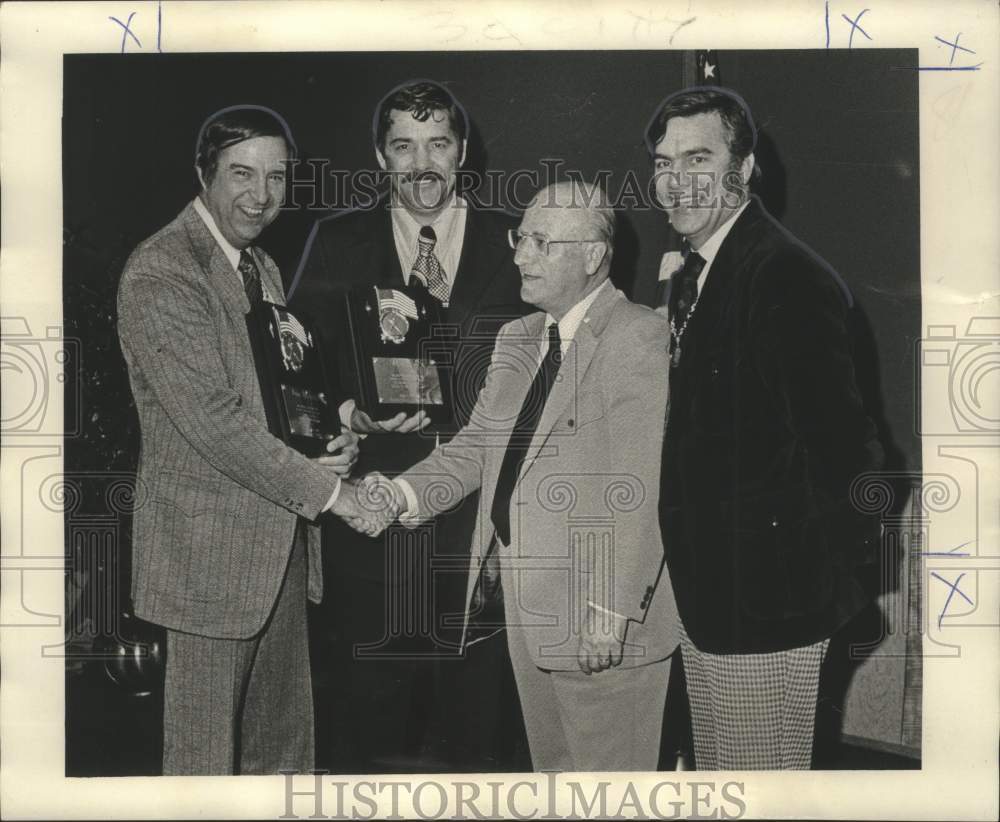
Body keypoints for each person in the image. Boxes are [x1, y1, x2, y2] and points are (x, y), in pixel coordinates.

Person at [369, 181, 680, 771]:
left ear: (593, 255)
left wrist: (611, 614)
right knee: (554, 786)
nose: (519, 255)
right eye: (520, 238)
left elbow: (643, 490)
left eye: (540, 242)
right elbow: (474, 450)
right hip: (527, 618)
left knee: (609, 801)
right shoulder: (517, 338)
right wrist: (399, 492)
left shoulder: (637, 337)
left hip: (601, 628)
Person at [116, 105, 374, 775]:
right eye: (241, 174)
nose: (261, 197)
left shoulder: (260, 266)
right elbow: (214, 422)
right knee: (203, 772)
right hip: (206, 563)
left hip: (279, 548)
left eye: (278, 178)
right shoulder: (163, 270)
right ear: (203, 174)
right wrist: (331, 491)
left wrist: (324, 438)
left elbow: (275, 395)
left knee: (282, 761)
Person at [288, 80, 528, 771]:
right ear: (380, 156)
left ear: (463, 151)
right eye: (403, 146)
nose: (422, 163)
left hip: (483, 530)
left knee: (481, 743)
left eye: (438, 144)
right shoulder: (336, 241)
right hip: (374, 522)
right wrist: (346, 414)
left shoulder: (517, 242)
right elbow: (296, 363)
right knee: (367, 737)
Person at [647, 87, 884, 769]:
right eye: (664, 162)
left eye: (699, 157)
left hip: (766, 607)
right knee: (726, 783)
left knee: (760, 789)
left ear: (744, 166)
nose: (676, 180)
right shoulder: (703, 270)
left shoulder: (782, 273)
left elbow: (849, 454)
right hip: (710, 598)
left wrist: (800, 584)